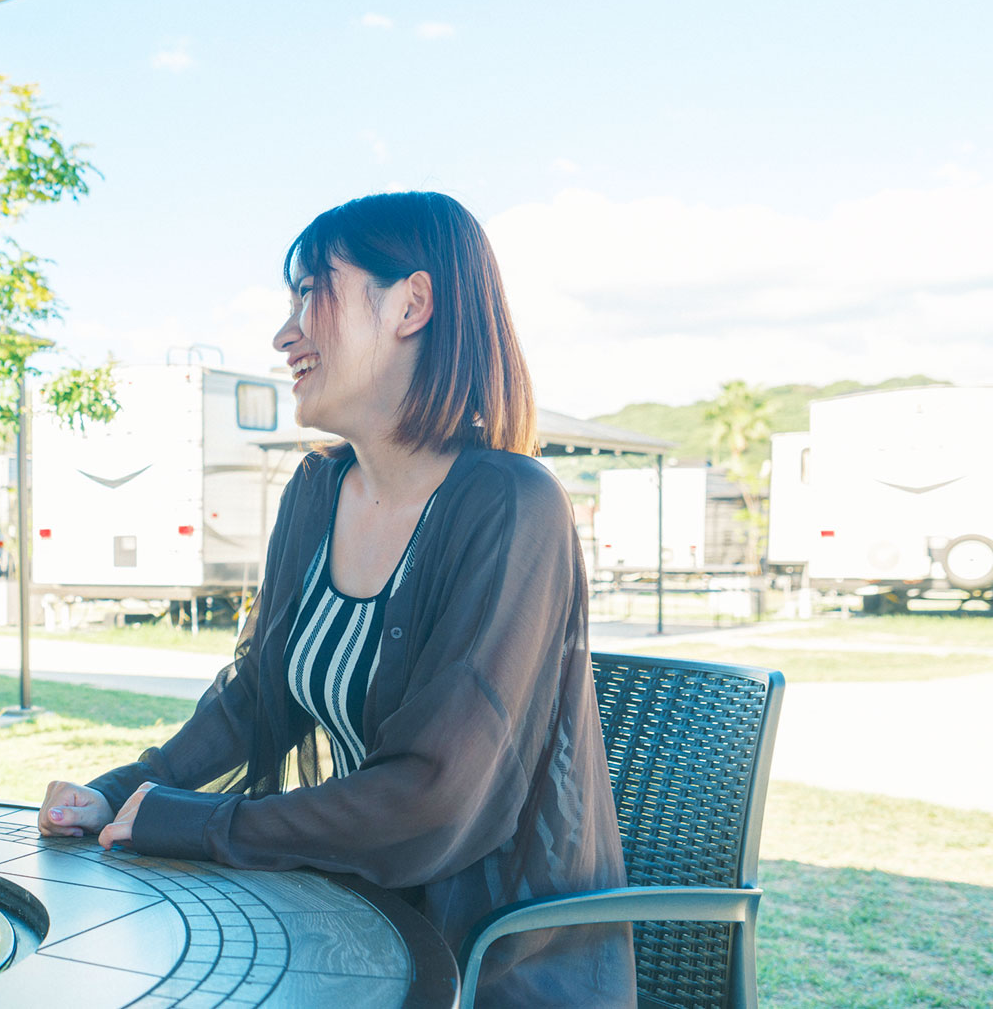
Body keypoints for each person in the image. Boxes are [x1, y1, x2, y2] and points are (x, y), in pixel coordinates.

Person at [36, 192, 635, 1007]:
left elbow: (433, 793)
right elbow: (258, 695)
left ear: (411, 304)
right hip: (359, 920)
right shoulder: (318, 488)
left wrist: (197, 823)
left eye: (312, 289)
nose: (284, 333)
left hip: (492, 962)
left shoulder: (512, 503)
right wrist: (121, 790)